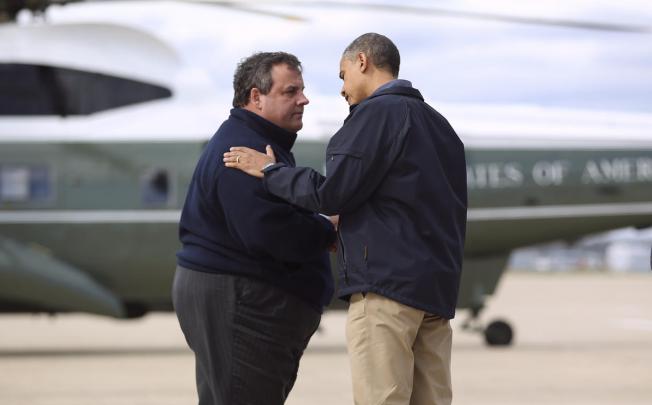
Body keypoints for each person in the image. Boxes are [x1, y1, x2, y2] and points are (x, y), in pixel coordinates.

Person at [224, 33, 467, 405]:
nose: (342, 89)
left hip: (387, 290)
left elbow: (332, 193)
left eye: (342, 75)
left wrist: (272, 171)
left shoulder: (374, 116)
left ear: (363, 62)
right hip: (435, 293)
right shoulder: (440, 126)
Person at [173, 51, 337, 405]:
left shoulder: (258, 142)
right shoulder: (241, 151)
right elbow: (268, 232)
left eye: (302, 90)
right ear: (255, 97)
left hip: (235, 296)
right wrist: (327, 230)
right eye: (290, 91)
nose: (304, 99)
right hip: (243, 303)